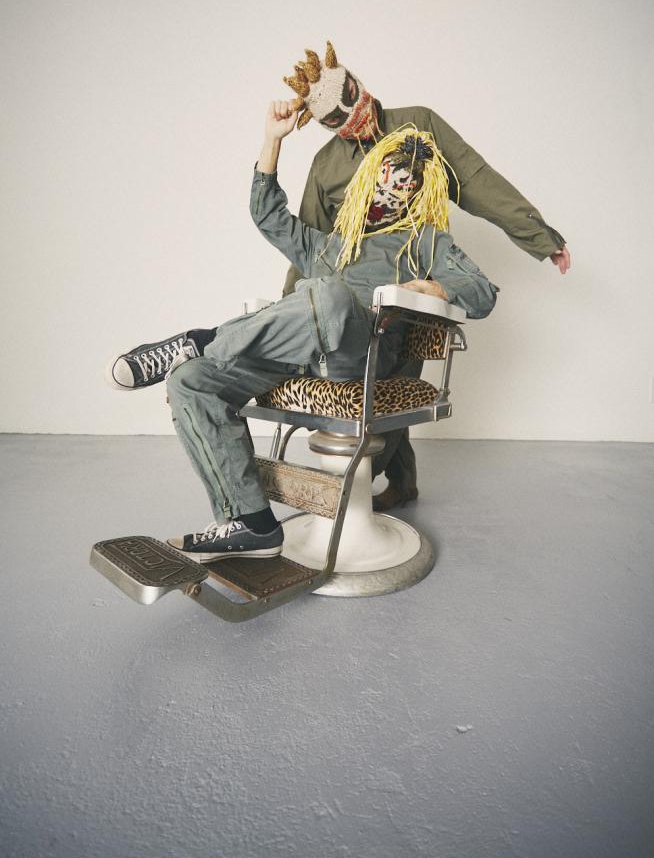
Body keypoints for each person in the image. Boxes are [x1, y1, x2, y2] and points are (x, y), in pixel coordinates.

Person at [108, 102, 499, 563]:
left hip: (363, 358)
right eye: (386, 177)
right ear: (369, 177)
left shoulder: (424, 242)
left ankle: (202, 340)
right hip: (297, 357)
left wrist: (431, 286)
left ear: (418, 191)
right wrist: (273, 140)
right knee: (191, 380)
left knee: (328, 293)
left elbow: (482, 293)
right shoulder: (331, 245)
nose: (391, 190)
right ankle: (252, 523)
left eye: (405, 184)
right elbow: (268, 217)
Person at [279, 42, 571, 511]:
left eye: (349, 97)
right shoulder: (326, 165)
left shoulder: (418, 125)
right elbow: (309, 243)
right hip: (352, 295)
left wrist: (539, 236)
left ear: (355, 82)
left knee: (392, 379)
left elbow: (475, 180)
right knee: (368, 385)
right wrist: (291, 316)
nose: (352, 116)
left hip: (413, 283)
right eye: (334, 116)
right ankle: (393, 484)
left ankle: (368, 486)